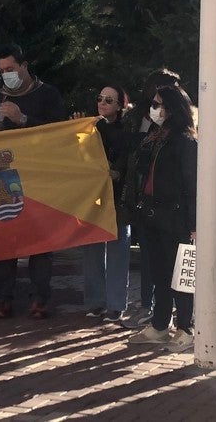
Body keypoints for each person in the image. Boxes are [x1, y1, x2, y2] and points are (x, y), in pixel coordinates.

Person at [0, 44, 66, 319]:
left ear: (24, 66)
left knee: (41, 243)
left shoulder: (49, 94)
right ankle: (2, 298)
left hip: (40, 179)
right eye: (2, 71)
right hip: (6, 178)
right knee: (4, 237)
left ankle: (39, 299)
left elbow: (58, 135)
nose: (6, 75)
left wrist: (22, 119)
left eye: (10, 69)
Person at [124, 86, 197, 353]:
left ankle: (186, 328)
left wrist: (194, 224)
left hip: (175, 217)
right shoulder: (153, 137)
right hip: (151, 215)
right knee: (159, 274)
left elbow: (192, 184)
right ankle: (160, 325)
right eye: (153, 104)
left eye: (159, 104)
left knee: (181, 276)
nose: (154, 109)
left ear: (173, 107)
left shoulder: (186, 141)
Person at [119, 68, 182, 327]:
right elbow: (126, 149)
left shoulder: (180, 128)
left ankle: (173, 313)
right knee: (149, 258)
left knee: (168, 264)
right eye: (155, 98)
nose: (157, 103)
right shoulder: (136, 118)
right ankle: (149, 306)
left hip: (168, 206)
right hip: (139, 197)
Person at [81, 84, 132, 322]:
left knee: (117, 250)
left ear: (120, 105)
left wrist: (117, 172)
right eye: (100, 98)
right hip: (93, 196)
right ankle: (96, 301)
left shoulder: (128, 130)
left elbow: (129, 161)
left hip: (118, 198)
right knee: (91, 248)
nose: (102, 103)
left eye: (109, 100)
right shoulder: (91, 127)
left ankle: (116, 303)